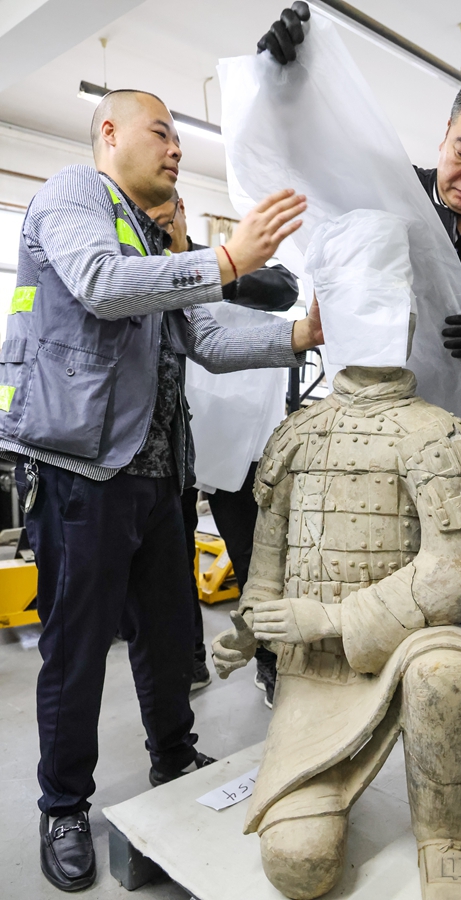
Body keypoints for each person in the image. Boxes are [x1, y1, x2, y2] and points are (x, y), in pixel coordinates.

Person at [257, 6, 461, 791]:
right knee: (429, 598)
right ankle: (428, 731)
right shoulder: (394, 197)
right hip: (409, 448)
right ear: (445, 135)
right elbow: (313, 156)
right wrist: (284, 79)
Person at [0, 88, 322, 892]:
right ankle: (63, 804)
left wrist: (298, 335)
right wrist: (225, 261)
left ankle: (173, 754)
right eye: (163, 133)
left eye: (180, 138)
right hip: (82, 473)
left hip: (156, 476)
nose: (177, 149)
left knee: (169, 636)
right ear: (110, 133)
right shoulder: (74, 194)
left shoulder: (154, 240)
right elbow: (99, 284)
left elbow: (206, 339)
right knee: (78, 650)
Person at [212, 209, 461, 900]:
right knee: (299, 867)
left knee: (448, 674)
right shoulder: (296, 433)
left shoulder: (438, 435)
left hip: (411, 649)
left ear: (409, 318)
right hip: (317, 675)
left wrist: (334, 617)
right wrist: (249, 629)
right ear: (326, 315)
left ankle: (451, 846)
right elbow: (269, 565)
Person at [148, 190, 295, 703]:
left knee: (254, 553)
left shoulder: (220, 263)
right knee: (172, 557)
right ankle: (188, 659)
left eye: (167, 213)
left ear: (183, 213)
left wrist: (210, 273)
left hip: (237, 439)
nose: (160, 223)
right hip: (169, 439)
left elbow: (285, 289)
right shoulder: (140, 272)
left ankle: (270, 659)